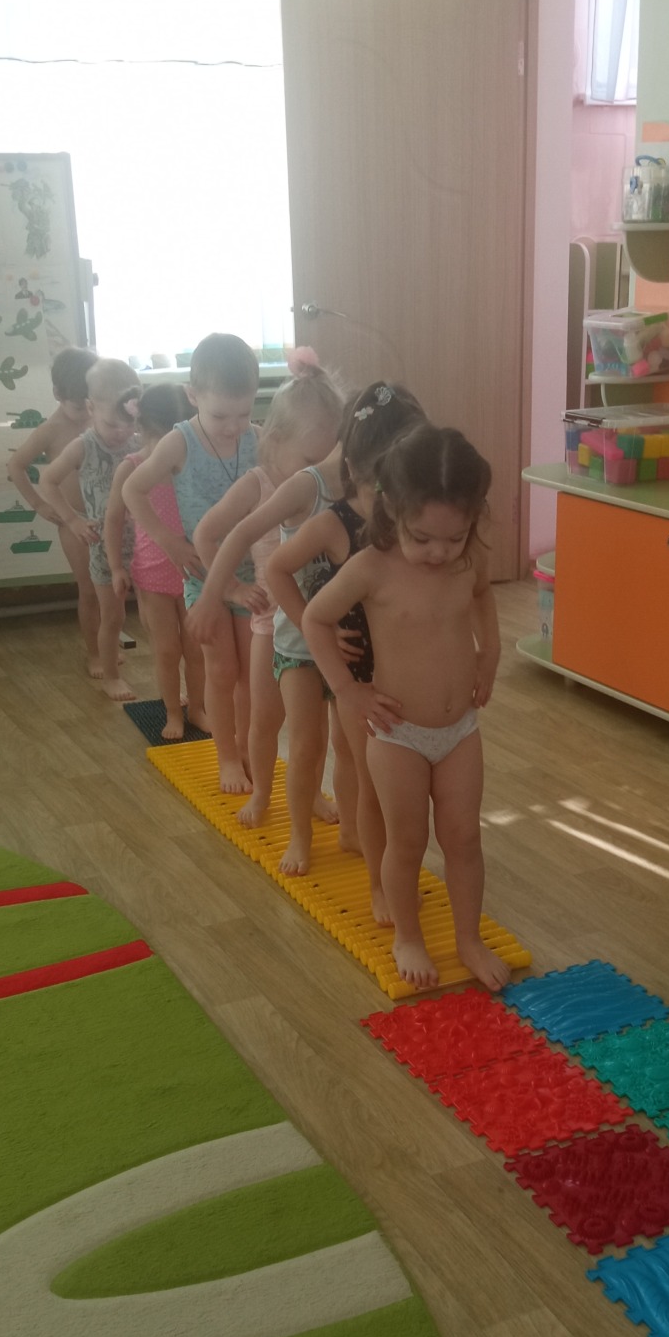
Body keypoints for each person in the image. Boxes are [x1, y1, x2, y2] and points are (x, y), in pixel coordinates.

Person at [303, 421, 505, 992]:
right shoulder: (371, 567)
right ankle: (407, 936)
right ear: (391, 509)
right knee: (407, 842)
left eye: (454, 537)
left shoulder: (468, 559)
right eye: (423, 538)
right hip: (398, 734)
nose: (439, 552)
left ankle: (468, 938)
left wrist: (489, 651)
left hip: (460, 729)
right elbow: (316, 619)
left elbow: (483, 594)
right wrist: (347, 689)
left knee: (464, 838)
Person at [268, 382, 426, 894]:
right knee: (335, 761)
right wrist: (315, 626)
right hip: (333, 667)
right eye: (386, 484)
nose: (396, 496)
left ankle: (359, 838)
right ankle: (342, 861)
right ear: (355, 470)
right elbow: (276, 570)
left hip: (386, 673)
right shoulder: (332, 523)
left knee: (373, 773)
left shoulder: (409, 518)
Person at [188, 354, 342, 811]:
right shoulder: (258, 484)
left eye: (330, 458)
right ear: (274, 441)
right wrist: (227, 592)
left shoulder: (327, 485)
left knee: (314, 726)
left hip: (316, 625)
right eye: (311, 459)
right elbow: (207, 534)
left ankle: (311, 794)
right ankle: (260, 792)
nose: (320, 469)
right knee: (264, 717)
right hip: (270, 625)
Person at [122, 334, 259, 769]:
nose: (233, 427)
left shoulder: (258, 439)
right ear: (193, 396)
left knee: (251, 677)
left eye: (244, 413)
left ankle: (246, 749)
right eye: (220, 415)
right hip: (204, 577)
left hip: (252, 579)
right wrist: (169, 542)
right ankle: (227, 757)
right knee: (221, 671)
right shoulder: (180, 441)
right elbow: (132, 490)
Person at [102, 383, 202, 738]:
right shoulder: (132, 468)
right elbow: (113, 520)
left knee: (196, 648)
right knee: (166, 649)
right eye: (164, 438)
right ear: (142, 428)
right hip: (153, 574)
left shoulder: (191, 464)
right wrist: (116, 567)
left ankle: (198, 707)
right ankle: (173, 712)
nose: (172, 447)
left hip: (193, 571)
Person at [37, 358, 141, 695]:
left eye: (129, 423)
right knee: (113, 617)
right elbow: (48, 480)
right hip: (103, 547)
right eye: (112, 424)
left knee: (153, 616)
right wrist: (72, 519)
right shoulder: (84, 445)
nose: (121, 432)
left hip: (142, 545)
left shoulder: (139, 442)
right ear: (91, 408)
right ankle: (108, 671)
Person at [6, 346, 102, 671]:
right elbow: (16, 465)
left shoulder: (100, 418)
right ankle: (94, 653)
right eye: (78, 405)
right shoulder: (52, 429)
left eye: (91, 401)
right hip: (74, 520)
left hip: (108, 516)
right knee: (89, 590)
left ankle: (107, 642)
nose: (86, 410)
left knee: (111, 590)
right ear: (58, 395)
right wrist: (38, 503)